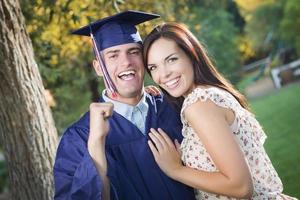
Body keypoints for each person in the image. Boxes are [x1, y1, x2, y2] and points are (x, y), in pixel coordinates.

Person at [143, 22, 297, 199]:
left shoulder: (199, 103)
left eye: (171, 59)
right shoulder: (211, 94)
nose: (163, 75)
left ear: (191, 55)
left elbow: (240, 187)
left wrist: (176, 169)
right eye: (153, 67)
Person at [53, 11, 196, 200]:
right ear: (98, 67)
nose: (126, 62)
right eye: (113, 55)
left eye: (133, 52)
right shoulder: (79, 137)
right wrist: (96, 144)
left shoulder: (174, 106)